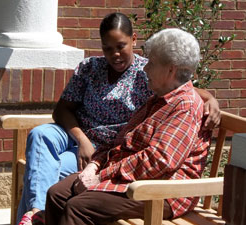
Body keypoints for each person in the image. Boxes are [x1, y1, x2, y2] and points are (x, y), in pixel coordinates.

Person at [18, 13, 220, 225]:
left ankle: (35, 215)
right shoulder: (155, 98)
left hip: (160, 189)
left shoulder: (179, 103)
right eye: (107, 48)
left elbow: (159, 160)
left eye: (151, 63)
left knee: (75, 205)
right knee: (55, 190)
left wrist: (102, 173)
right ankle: (36, 213)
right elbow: (120, 141)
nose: (146, 67)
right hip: (105, 157)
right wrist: (95, 165)